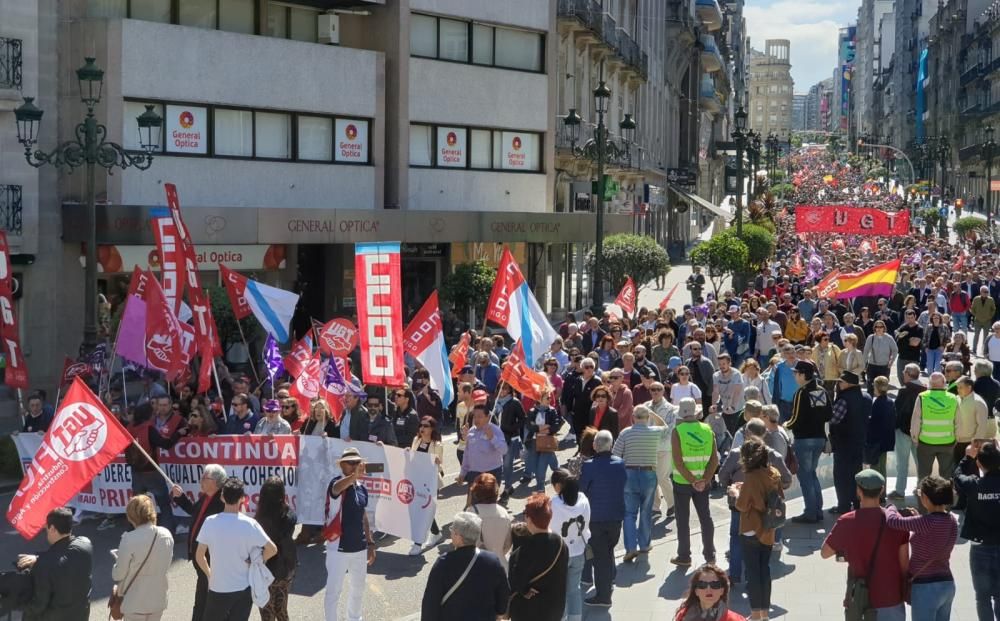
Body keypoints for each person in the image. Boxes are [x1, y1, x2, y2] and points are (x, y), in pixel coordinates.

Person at [821, 469, 910, 620]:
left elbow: (825, 553)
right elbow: (904, 565)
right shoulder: (896, 521)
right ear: (881, 490)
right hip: (891, 598)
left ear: (858, 491)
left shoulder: (847, 521)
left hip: (861, 600)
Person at [719, 419, 792, 585]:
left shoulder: (736, 453)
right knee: (761, 540)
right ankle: (755, 578)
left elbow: (723, 476)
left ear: (746, 434)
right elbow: (787, 479)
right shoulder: (773, 454)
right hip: (765, 506)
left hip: (739, 504)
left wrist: (731, 487)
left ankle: (735, 574)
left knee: (736, 538)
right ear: (764, 434)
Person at [196, 477, 277, 621]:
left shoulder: (210, 522)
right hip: (243, 588)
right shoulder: (250, 524)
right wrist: (255, 561)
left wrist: (209, 575)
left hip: (218, 588)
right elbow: (272, 549)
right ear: (242, 499)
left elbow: (199, 556)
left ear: (222, 497)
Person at [885, 475, 958, 621]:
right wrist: (918, 518)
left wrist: (891, 507)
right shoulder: (951, 521)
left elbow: (892, 521)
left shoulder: (924, 522)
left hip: (925, 587)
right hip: (947, 584)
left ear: (925, 497)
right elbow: (934, 536)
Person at [420, 511, 510, 621]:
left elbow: (431, 601)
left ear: (458, 536)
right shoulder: (492, 560)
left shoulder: (444, 562)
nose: (451, 532)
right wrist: (499, 613)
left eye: (452, 529)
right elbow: (503, 591)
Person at [730, 438, 783, 620]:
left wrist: (736, 492)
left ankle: (755, 614)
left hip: (751, 528)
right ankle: (765, 614)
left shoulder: (751, 476)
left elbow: (742, 505)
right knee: (764, 571)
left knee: (752, 573)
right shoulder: (773, 473)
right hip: (768, 529)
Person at [323, 447, 376, 621]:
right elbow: (337, 489)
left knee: (358, 589)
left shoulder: (362, 488)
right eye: (350, 462)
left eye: (357, 462)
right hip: (338, 548)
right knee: (333, 592)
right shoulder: (336, 483)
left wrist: (370, 542)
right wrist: (354, 476)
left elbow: (363, 516)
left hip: (359, 548)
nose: (354, 465)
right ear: (342, 465)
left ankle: (354, 618)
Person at [170, 464, 227, 621]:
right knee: (203, 598)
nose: (201, 480)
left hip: (209, 561)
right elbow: (194, 511)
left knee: (203, 599)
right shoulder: (206, 497)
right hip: (200, 558)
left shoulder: (222, 503)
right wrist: (180, 497)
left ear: (215, 482)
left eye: (205, 478)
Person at [612, 404, 668, 562]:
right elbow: (664, 426)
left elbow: (615, 455)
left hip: (629, 473)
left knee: (629, 513)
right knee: (646, 510)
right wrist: (653, 414)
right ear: (648, 418)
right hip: (649, 473)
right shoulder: (655, 432)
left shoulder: (625, 433)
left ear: (633, 418)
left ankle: (630, 548)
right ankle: (644, 544)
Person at [17, 507, 93, 621]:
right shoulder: (86, 544)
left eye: (46, 528)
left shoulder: (45, 566)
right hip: (81, 614)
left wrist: (19, 603)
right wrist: (39, 558)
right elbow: (65, 555)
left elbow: (38, 606)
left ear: (52, 528)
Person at [579, 429, 626, 607]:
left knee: (600, 557)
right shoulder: (620, 463)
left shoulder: (589, 465)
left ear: (594, 446)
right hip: (615, 516)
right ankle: (608, 583)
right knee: (607, 552)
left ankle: (603, 596)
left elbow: (582, 489)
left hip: (596, 519)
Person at [954, 441, 1000, 619]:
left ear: (979, 464)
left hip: (980, 547)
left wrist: (967, 457)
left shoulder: (973, 485)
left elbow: (957, 476)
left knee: (982, 597)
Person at [671, 397, 719, 566]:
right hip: (703, 483)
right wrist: (703, 479)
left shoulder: (677, 431)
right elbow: (715, 460)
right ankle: (710, 555)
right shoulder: (707, 429)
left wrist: (692, 480)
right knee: (705, 517)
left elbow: (678, 461)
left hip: (682, 482)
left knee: (683, 520)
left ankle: (684, 556)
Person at [110, 495, 174, 621]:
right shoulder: (166, 534)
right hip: (158, 597)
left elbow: (118, 574)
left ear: (131, 515)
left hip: (135, 600)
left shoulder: (129, 538)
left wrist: (117, 561)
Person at [508, 493, 569, 621]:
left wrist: (524, 591)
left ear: (529, 519)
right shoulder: (560, 543)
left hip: (528, 611)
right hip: (554, 608)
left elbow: (516, 581)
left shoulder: (522, 552)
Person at [127, 401, 185, 535]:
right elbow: (166, 444)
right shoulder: (149, 429)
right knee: (164, 504)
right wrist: (179, 433)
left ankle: (133, 531)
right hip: (152, 472)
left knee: (136, 504)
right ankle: (169, 532)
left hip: (136, 472)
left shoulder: (130, 428)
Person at [786, 360, 831, 523]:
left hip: (804, 440)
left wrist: (784, 425)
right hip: (819, 438)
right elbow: (828, 415)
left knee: (805, 476)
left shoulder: (802, 392)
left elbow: (795, 418)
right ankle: (818, 509)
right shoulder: (822, 391)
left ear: (804, 374)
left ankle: (811, 512)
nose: (795, 376)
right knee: (812, 474)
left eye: (796, 373)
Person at [254, 477, 298, 621]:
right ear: (282, 494)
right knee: (281, 610)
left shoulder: (259, 520)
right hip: (285, 569)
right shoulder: (289, 516)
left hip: (265, 570)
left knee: (267, 612)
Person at [829, 370, 872, 514]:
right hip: (859, 442)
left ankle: (843, 505)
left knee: (841, 476)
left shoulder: (843, 399)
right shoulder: (866, 397)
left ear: (847, 383)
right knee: (857, 474)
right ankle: (858, 502)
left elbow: (834, 419)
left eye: (840, 382)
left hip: (843, 443)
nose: (838, 384)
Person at [550, 470, 590, 621]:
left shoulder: (554, 503)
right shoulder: (584, 499)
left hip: (559, 554)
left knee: (560, 591)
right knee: (574, 590)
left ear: (559, 485)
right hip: (579, 551)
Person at [911, 372, 960, 482]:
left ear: (930, 384)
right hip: (947, 442)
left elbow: (916, 420)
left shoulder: (922, 397)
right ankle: (945, 497)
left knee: (924, 475)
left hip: (926, 442)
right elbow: (958, 422)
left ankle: (924, 497)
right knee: (946, 475)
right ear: (944, 383)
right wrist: (957, 438)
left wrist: (915, 438)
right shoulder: (953, 398)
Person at [409, 416, 445, 555]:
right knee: (424, 511)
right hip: (417, 480)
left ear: (432, 429)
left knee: (422, 511)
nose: (422, 428)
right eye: (421, 425)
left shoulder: (437, 445)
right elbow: (412, 459)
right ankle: (436, 533)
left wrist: (436, 462)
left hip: (430, 483)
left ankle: (418, 543)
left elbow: (440, 467)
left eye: (426, 426)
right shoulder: (416, 440)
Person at [890, 364, 925, 500]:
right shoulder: (925, 390)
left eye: (904, 372)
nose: (903, 374)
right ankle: (921, 488)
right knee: (920, 463)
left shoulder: (904, 391)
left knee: (902, 463)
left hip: (904, 432)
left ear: (908, 374)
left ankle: (899, 491)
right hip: (920, 433)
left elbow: (898, 411)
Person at [671, 563, 747, 621]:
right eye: (702, 585)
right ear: (696, 591)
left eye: (715, 585)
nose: (708, 589)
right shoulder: (683, 615)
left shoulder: (735, 619)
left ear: (722, 590)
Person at [525, 389, 563, 492]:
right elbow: (529, 425)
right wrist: (541, 428)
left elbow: (556, 425)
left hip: (547, 442)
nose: (550, 399)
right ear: (539, 399)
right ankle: (560, 474)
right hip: (534, 442)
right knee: (538, 464)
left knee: (541, 465)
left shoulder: (552, 410)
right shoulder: (532, 411)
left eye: (550, 397)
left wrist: (547, 430)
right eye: (547, 397)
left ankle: (541, 488)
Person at [458, 404, 507, 484]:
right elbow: (467, 454)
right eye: (475, 416)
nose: (476, 419)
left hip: (492, 473)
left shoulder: (495, 430)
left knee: (489, 496)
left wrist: (492, 438)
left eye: (480, 416)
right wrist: (463, 473)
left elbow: (504, 450)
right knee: (473, 496)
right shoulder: (471, 431)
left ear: (487, 417)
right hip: (474, 473)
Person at [866, 376, 896, 480]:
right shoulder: (890, 401)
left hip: (876, 442)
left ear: (876, 387)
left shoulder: (877, 403)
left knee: (875, 468)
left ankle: (876, 493)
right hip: (886, 441)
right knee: (882, 468)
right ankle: (882, 493)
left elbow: (874, 423)